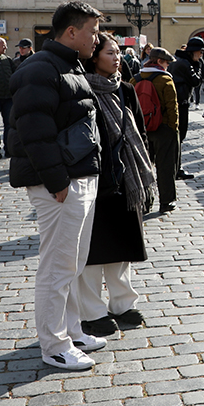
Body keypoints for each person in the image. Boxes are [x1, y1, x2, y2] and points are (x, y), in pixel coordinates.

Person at [7, 1, 105, 371]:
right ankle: (54, 345)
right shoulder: (41, 68)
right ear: (71, 32)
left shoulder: (68, 64)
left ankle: (71, 330)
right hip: (61, 184)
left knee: (74, 263)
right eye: (93, 32)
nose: (96, 39)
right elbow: (33, 132)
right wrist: (57, 181)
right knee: (57, 267)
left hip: (78, 177)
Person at [77, 33, 156, 338]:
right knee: (93, 250)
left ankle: (122, 304)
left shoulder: (125, 89)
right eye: (110, 53)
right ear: (94, 57)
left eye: (118, 53)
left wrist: (143, 167)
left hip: (126, 178)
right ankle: (92, 311)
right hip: (96, 178)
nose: (117, 57)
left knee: (122, 246)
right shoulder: (82, 89)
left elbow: (140, 131)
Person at [136, 47, 179, 213]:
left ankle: (146, 202)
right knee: (166, 167)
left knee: (144, 167)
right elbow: (172, 107)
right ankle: (166, 201)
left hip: (143, 129)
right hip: (163, 130)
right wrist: (173, 129)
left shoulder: (136, 79)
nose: (168, 66)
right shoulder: (165, 80)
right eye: (167, 63)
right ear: (159, 62)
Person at [169, 37, 204, 179]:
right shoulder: (185, 63)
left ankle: (175, 168)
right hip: (181, 102)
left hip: (177, 100)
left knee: (177, 136)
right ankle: (176, 169)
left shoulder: (179, 59)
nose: (201, 55)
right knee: (179, 136)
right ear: (194, 52)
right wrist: (199, 66)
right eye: (200, 52)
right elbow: (196, 81)